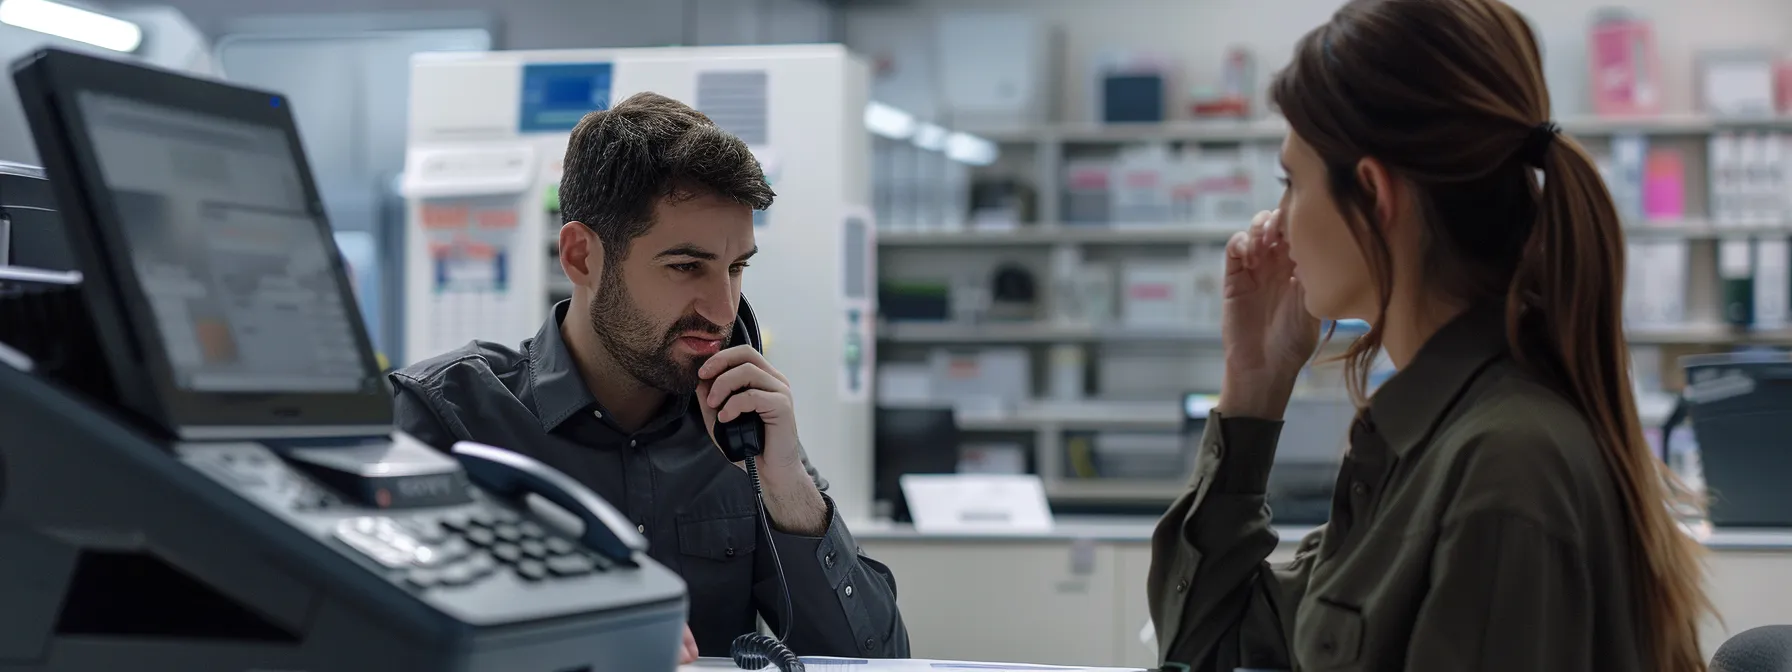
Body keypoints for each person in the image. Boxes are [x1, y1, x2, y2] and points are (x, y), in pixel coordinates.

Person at [1146, 1, 1712, 670]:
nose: (1277, 221)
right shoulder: (1432, 442)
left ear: (1373, 195)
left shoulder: (1501, 469)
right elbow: (1213, 650)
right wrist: (1255, 385)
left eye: (1291, 183)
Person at [390, 92, 909, 663]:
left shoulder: (740, 427)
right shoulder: (447, 417)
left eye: (735, 268)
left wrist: (787, 485)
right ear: (583, 257)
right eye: (686, 266)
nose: (722, 309)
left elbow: (876, 658)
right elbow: (372, 636)